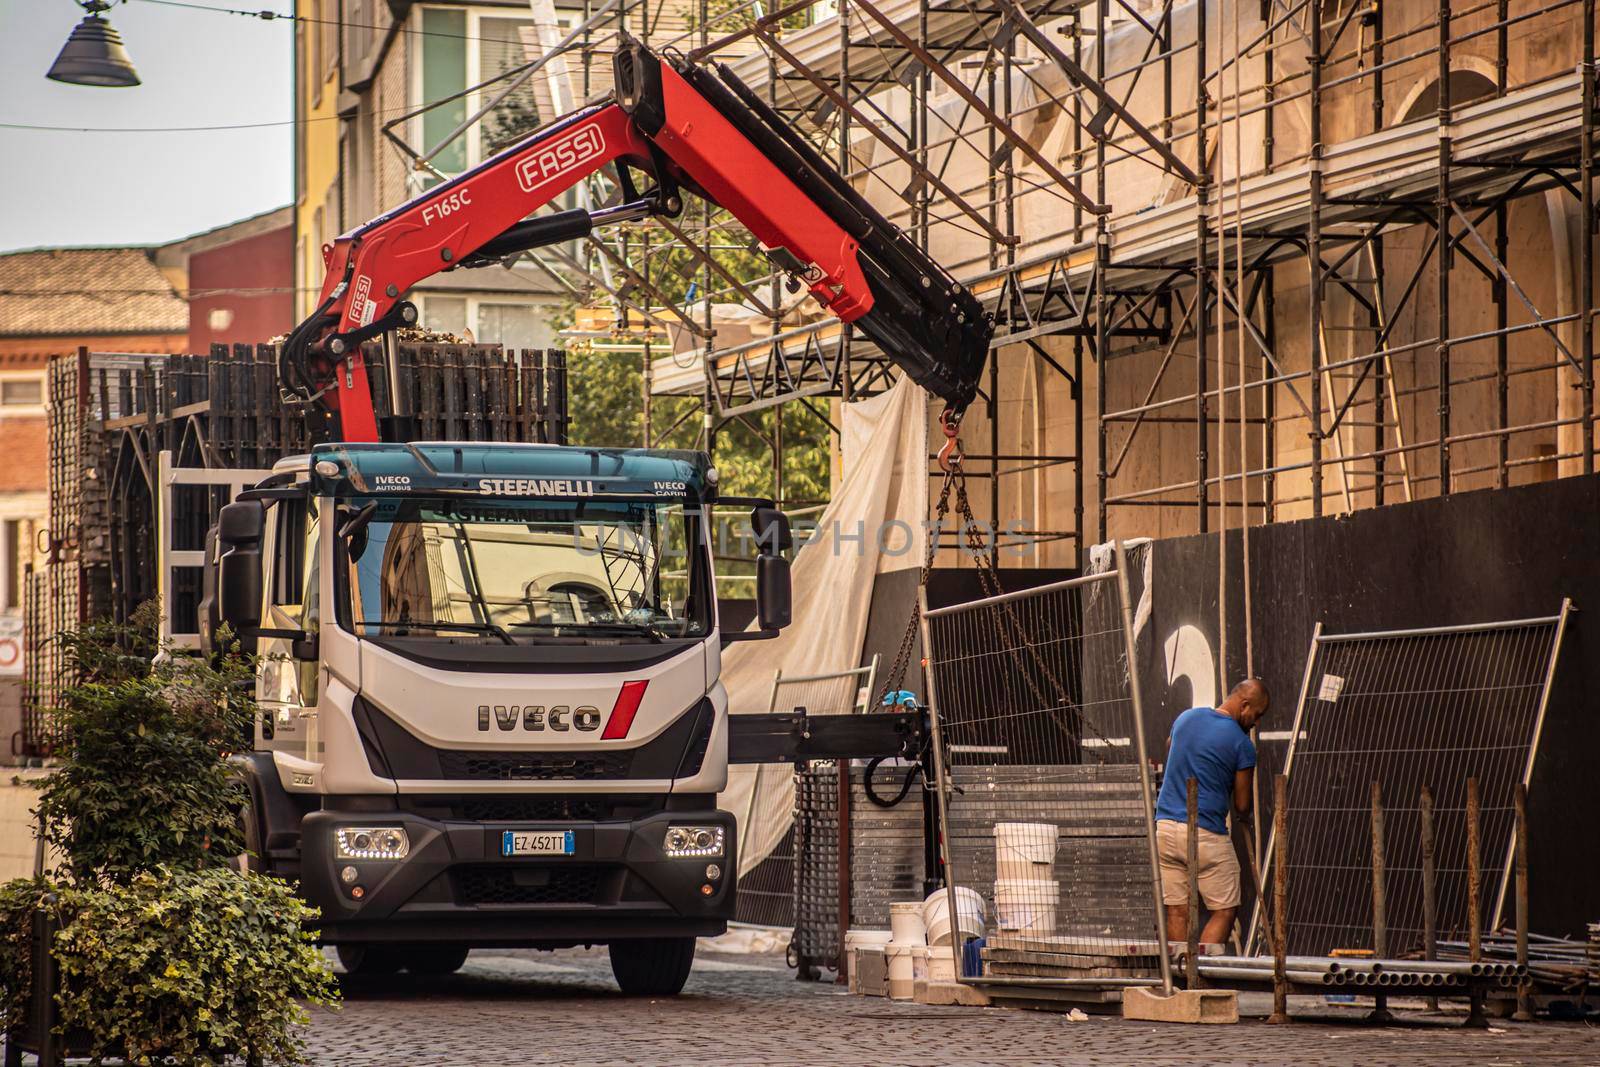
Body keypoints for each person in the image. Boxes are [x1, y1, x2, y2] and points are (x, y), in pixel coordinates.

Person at [1153, 678, 1270, 946]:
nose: (1256, 722)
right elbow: (1241, 805)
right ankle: (1203, 970)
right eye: (1257, 714)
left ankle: (1182, 977)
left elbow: (1171, 744)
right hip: (1205, 832)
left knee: (1177, 909)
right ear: (1244, 705)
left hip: (1166, 829)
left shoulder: (1186, 718)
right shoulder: (1242, 745)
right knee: (1224, 909)